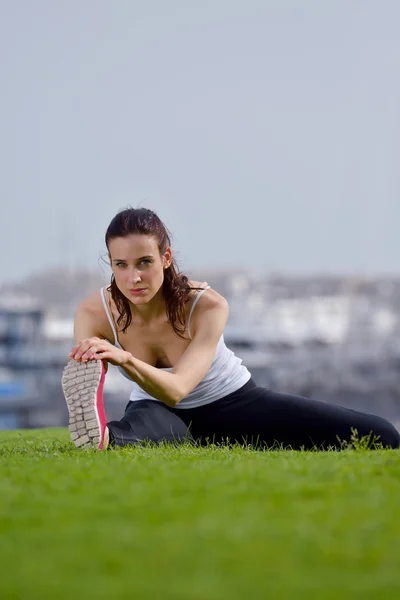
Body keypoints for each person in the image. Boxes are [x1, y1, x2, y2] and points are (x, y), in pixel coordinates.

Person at [62, 207, 400, 451]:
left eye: (144, 263)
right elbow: (98, 382)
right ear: (110, 263)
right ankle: (106, 438)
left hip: (233, 403)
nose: (133, 278)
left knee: (382, 435)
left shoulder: (208, 305)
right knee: (132, 433)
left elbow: (178, 388)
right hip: (157, 409)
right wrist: (93, 365)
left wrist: (124, 359)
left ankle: (126, 436)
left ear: (165, 258)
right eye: (121, 265)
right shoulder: (94, 314)